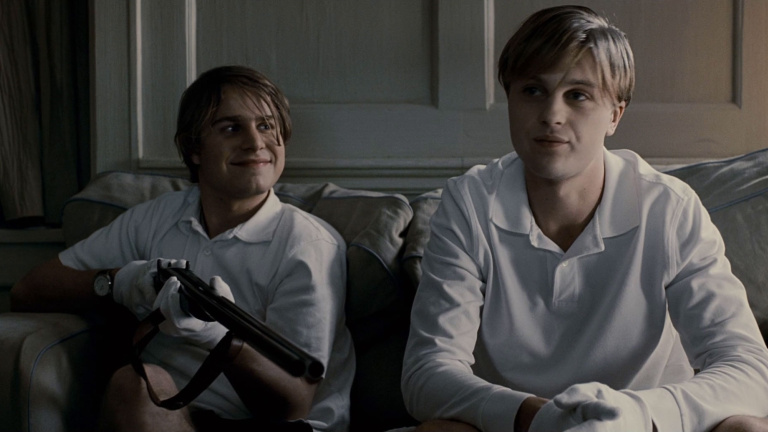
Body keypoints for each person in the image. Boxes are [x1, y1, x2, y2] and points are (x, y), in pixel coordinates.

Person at [400, 6, 768, 432]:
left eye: (577, 95)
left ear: (615, 115)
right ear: (510, 100)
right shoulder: (470, 203)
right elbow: (426, 373)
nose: (551, 115)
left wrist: (634, 413)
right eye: (533, 90)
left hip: (642, 426)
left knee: (747, 429)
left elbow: (748, 370)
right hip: (521, 427)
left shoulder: (669, 209)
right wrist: (537, 416)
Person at [11, 65, 355, 432]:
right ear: (194, 148)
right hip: (172, 415)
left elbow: (293, 404)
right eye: (231, 128)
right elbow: (27, 292)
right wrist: (121, 282)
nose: (256, 143)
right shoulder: (156, 217)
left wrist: (218, 338)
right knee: (136, 384)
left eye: (266, 126)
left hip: (278, 426)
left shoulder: (307, 245)